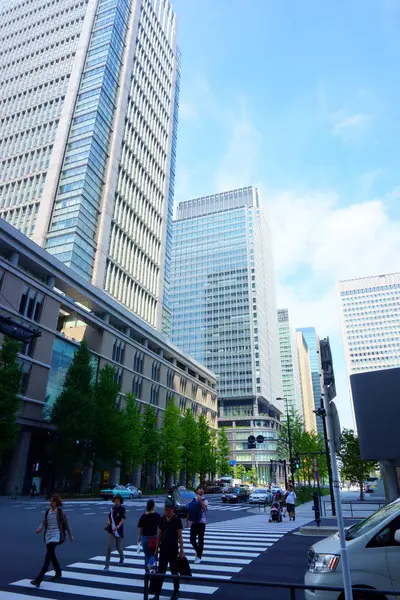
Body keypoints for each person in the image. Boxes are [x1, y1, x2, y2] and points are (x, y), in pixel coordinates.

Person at [30, 494, 73, 588]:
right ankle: (58, 572)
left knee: (48, 557)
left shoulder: (60, 512)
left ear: (56, 502)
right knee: (52, 556)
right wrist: (39, 529)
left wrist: (70, 536)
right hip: (48, 536)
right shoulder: (47, 512)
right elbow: (44, 522)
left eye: (53, 501)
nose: (51, 503)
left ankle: (39, 579)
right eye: (50, 501)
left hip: (56, 536)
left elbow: (66, 524)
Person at [151, 500, 185, 600]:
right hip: (164, 548)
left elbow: (180, 536)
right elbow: (159, 534)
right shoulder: (163, 519)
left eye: (168, 510)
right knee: (161, 572)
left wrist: (182, 551)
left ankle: (176, 591)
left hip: (173, 548)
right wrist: (157, 548)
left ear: (172, 509)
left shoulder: (177, 519)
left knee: (174, 571)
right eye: (165, 510)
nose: (166, 512)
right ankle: (157, 594)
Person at [104, 494, 126, 572]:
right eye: (115, 501)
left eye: (117, 501)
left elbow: (123, 519)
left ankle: (122, 556)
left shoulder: (122, 509)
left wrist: (118, 526)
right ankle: (107, 565)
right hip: (111, 530)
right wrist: (108, 522)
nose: (116, 502)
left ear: (120, 501)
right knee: (109, 547)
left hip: (118, 531)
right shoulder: (112, 509)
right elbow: (109, 517)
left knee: (118, 547)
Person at [186, 487, 208, 563]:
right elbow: (190, 510)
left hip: (202, 522)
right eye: (199, 489)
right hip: (194, 522)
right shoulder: (193, 499)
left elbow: (204, 507)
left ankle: (199, 556)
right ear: (196, 491)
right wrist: (187, 521)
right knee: (192, 540)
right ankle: (198, 551)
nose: (201, 490)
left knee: (200, 540)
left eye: (202, 489)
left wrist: (200, 499)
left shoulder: (204, 500)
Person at [138, 499, 162, 568]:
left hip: (144, 537)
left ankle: (147, 571)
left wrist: (139, 537)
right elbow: (161, 527)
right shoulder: (156, 515)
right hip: (153, 537)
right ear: (153, 506)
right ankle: (150, 565)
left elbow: (140, 527)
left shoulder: (143, 516)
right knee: (153, 555)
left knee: (146, 555)